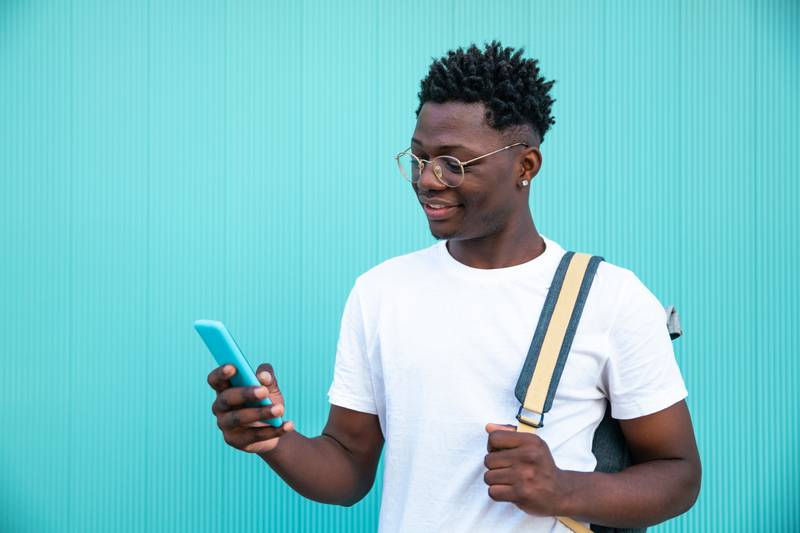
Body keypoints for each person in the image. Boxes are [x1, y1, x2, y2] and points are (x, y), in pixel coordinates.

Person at [206, 40, 701, 532]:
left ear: (525, 166)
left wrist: (563, 489)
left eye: (453, 163)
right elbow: (347, 469)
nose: (427, 180)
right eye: (419, 158)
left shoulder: (610, 297)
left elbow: (679, 476)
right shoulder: (381, 292)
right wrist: (272, 439)